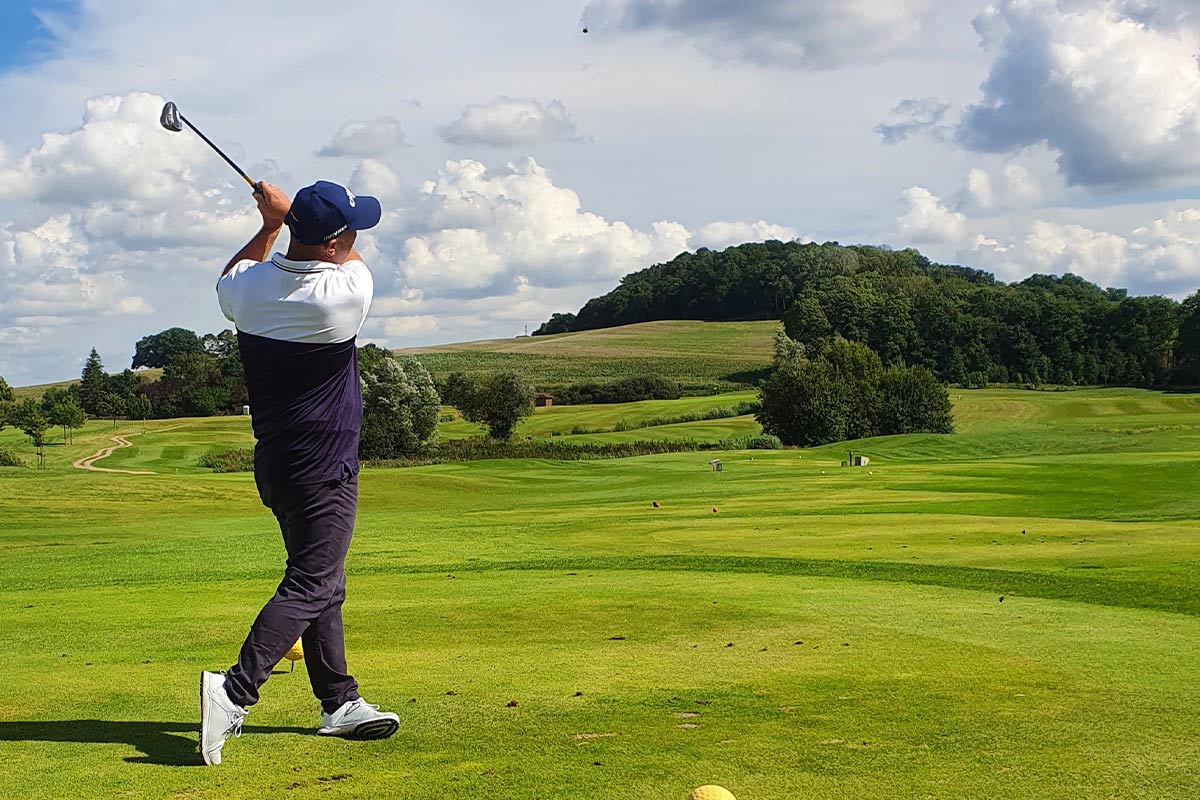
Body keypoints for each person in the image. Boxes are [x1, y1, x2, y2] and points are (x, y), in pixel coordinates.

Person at [199, 180, 399, 766]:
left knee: (322, 580)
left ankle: (339, 701)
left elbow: (231, 277)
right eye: (352, 229)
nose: (357, 236)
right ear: (335, 242)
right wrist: (288, 221)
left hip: (277, 462)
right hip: (325, 465)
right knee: (313, 581)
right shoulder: (343, 294)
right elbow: (348, 260)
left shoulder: (248, 290)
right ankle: (234, 690)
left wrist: (270, 226)